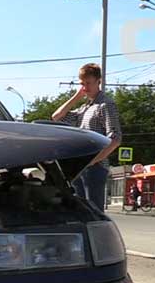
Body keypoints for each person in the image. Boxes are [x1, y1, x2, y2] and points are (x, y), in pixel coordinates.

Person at [51, 63, 122, 210]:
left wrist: (91, 161)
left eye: (88, 83)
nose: (85, 87)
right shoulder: (85, 108)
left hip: (95, 167)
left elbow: (115, 139)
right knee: (80, 211)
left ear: (99, 81)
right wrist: (77, 96)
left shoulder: (106, 105)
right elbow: (56, 117)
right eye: (82, 84)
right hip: (80, 167)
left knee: (94, 212)